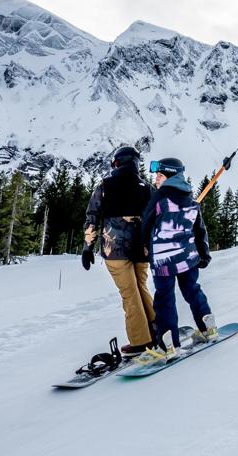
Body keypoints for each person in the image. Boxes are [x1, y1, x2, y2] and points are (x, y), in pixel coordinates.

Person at [138, 157, 217, 362]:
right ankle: (208, 327)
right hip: (187, 258)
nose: (155, 179)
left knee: (164, 298)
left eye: (160, 175)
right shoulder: (191, 200)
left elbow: (146, 224)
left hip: (164, 261)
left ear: (171, 176)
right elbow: (199, 230)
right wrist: (204, 254)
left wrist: (145, 246)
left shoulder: (160, 199)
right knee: (193, 291)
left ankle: (168, 345)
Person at [82, 146, 156, 356]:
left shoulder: (106, 185)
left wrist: (88, 247)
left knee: (129, 294)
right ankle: (155, 330)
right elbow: (154, 219)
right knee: (141, 288)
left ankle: (141, 342)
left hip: (115, 248)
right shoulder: (146, 187)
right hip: (141, 248)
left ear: (117, 162)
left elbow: (92, 216)